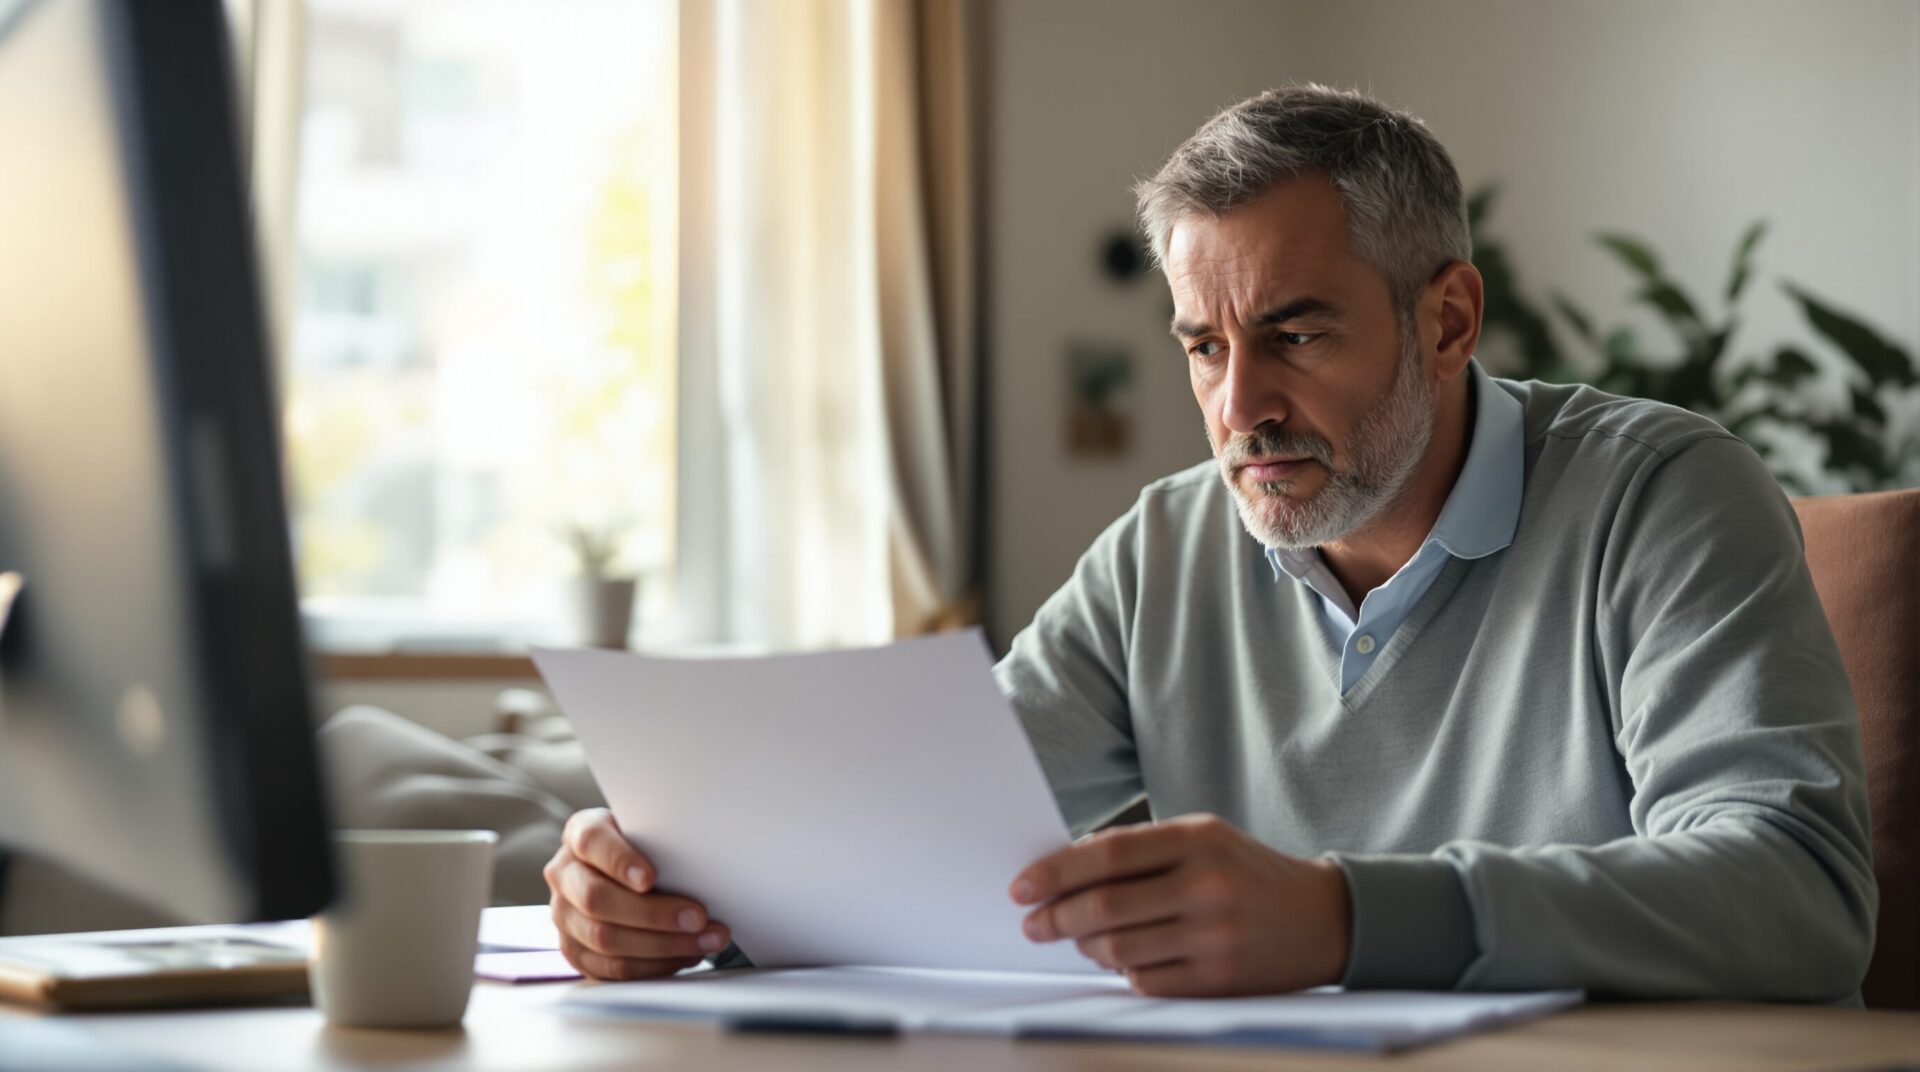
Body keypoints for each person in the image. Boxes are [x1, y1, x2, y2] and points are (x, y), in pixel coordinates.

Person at [541, 85, 1876, 1001]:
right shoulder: (1168, 549)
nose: (1239, 408)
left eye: (1295, 334)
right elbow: (926, 832)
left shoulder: (1667, 498)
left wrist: (1350, 918)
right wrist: (675, 884)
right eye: (1202, 345)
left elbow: (1798, 892)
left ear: (1451, 320)